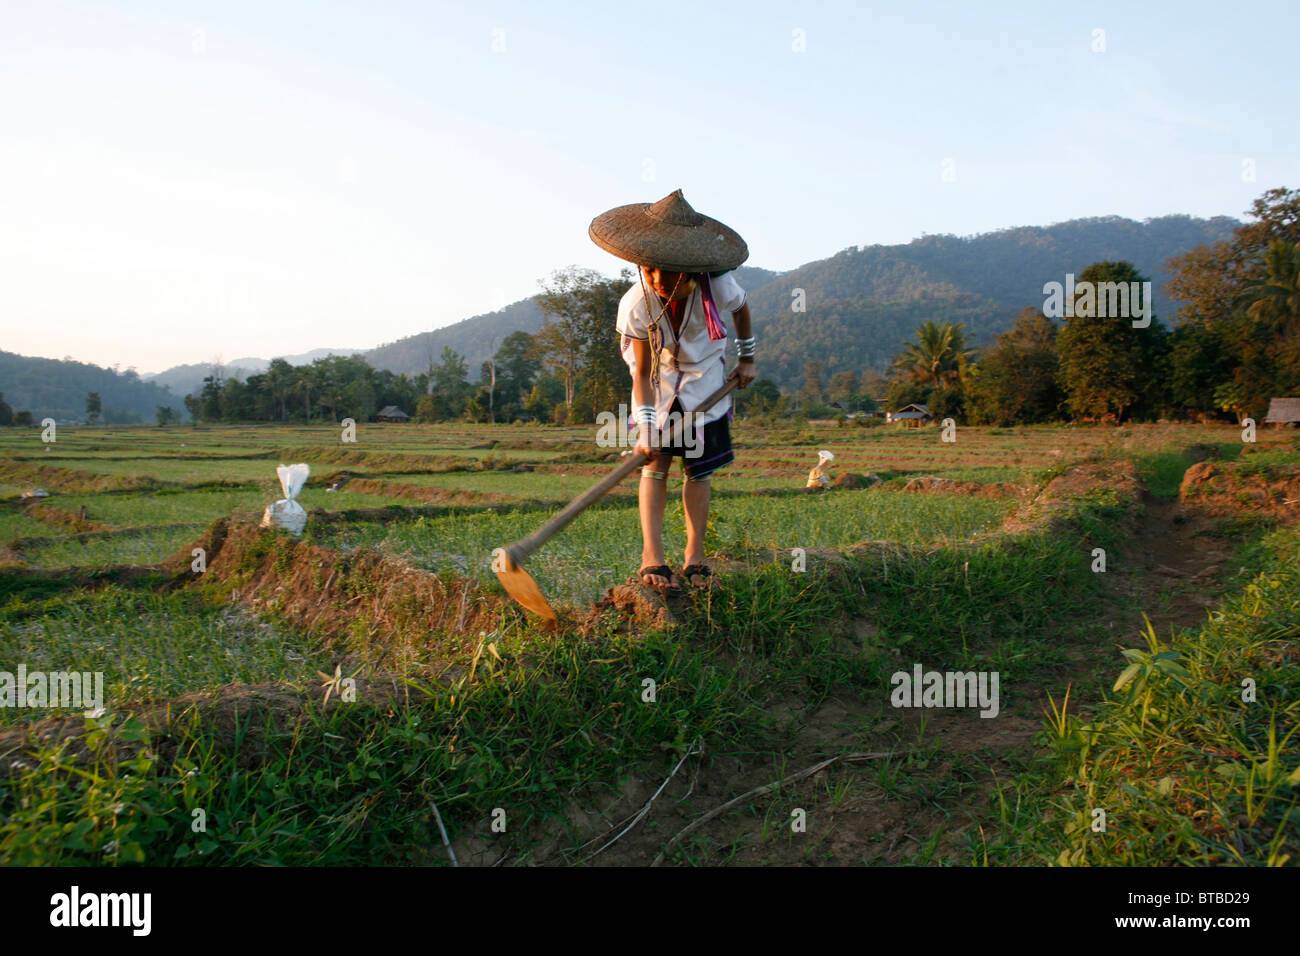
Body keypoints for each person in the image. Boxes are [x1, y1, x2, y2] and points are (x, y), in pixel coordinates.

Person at [589, 189, 757, 590]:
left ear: (694, 270)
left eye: (673, 273)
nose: (661, 281)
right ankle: (653, 559)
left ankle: (695, 557)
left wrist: (747, 358)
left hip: (706, 378)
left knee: (698, 470)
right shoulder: (637, 303)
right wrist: (647, 433)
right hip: (660, 381)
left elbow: (742, 312)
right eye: (652, 271)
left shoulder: (719, 286)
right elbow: (642, 374)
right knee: (655, 465)